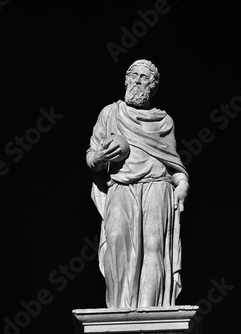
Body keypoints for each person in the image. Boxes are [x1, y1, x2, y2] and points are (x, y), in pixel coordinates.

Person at [86, 59, 189, 308]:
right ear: (126, 79)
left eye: (144, 78)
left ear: (152, 86)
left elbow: (174, 165)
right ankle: (121, 308)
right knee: (117, 242)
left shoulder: (164, 122)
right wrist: (99, 158)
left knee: (154, 245)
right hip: (120, 186)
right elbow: (91, 158)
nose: (137, 81)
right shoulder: (110, 113)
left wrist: (183, 182)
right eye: (133, 75)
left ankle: (149, 309)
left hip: (157, 185)